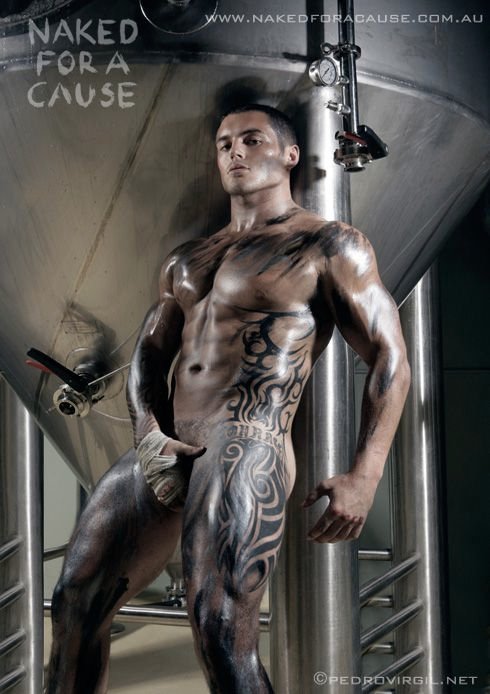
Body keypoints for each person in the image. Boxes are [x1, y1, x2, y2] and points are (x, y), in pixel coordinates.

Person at [45, 103, 411, 693]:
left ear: (290, 154)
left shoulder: (328, 244)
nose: (235, 151)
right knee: (73, 603)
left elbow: (391, 358)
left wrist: (365, 476)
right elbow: (150, 353)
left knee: (219, 630)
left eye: (252, 139)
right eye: (223, 144)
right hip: (166, 443)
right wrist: (148, 435)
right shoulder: (187, 258)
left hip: (247, 440)